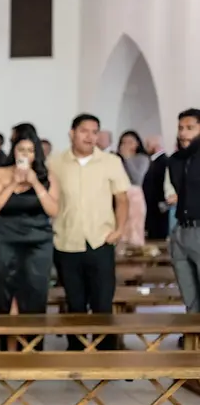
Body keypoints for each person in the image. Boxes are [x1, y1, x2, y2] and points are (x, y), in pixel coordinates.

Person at [49, 114, 130, 351]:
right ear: (72, 133)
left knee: (102, 301)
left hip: (100, 240)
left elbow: (122, 199)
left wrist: (119, 230)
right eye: (84, 131)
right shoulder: (55, 162)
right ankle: (76, 349)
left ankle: (106, 352)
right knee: (74, 302)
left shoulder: (110, 162)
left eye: (95, 132)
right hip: (66, 240)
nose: (90, 136)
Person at [0, 125, 59, 350]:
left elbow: (53, 210)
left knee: (35, 293)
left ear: (36, 153)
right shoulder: (0, 173)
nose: (24, 154)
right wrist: (14, 184)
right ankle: (8, 349)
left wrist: (35, 183)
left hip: (38, 241)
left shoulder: (48, 176)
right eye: (21, 150)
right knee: (8, 294)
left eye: (29, 150)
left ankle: (33, 349)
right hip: (6, 239)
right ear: (14, 152)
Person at [168, 108, 200, 314]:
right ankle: (194, 338)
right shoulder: (175, 160)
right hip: (180, 229)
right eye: (181, 128)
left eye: (190, 128)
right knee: (188, 293)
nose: (183, 133)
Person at [117, 130, 149, 247]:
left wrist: (127, 159)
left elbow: (137, 178)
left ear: (137, 144)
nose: (126, 145)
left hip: (135, 195)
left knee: (135, 228)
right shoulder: (115, 159)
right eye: (123, 142)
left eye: (130, 142)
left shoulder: (142, 159)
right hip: (120, 195)